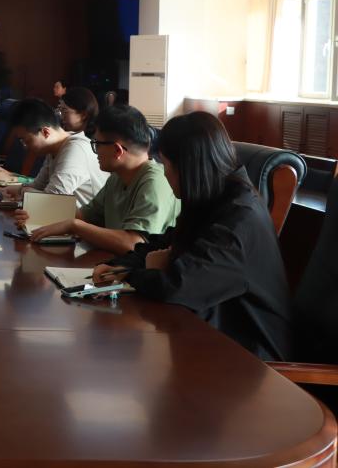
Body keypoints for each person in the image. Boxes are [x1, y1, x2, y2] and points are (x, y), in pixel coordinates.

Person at [91, 112, 291, 361]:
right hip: (210, 333)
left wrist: (133, 273)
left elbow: (176, 285)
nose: (164, 174)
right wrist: (118, 267)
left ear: (187, 167)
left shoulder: (239, 218)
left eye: (165, 165)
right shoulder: (211, 197)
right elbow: (163, 242)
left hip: (250, 358)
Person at [16, 105, 179, 253]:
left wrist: (74, 226)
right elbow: (85, 216)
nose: (95, 152)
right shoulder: (117, 177)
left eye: (97, 144)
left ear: (117, 150)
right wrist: (38, 214)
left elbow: (134, 243)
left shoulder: (155, 182)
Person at [0, 99, 108, 207]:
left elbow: (52, 199)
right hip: (62, 220)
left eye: (26, 140)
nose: (25, 146)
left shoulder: (75, 149)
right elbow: (37, 186)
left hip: (86, 225)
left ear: (45, 132)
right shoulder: (54, 148)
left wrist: (23, 191)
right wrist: (2, 190)